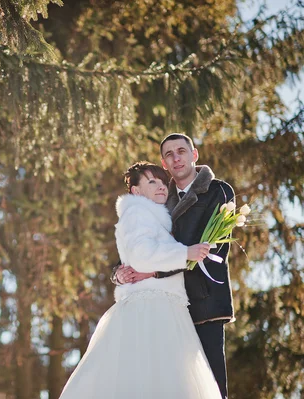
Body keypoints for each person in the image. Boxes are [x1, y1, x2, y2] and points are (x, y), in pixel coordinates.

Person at [59, 161, 222, 399]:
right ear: (136, 191)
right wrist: (186, 253)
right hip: (151, 308)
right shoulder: (137, 213)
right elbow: (141, 256)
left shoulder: (153, 216)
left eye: (162, 182)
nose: (161, 187)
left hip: (164, 304)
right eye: (151, 182)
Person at [114, 133, 235, 399]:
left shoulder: (218, 191)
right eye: (169, 154)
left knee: (209, 387)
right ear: (164, 162)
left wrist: (155, 271)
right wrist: (121, 272)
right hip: (167, 306)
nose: (176, 157)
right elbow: (139, 241)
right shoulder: (158, 198)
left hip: (204, 302)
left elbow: (209, 248)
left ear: (194, 155)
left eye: (181, 151)